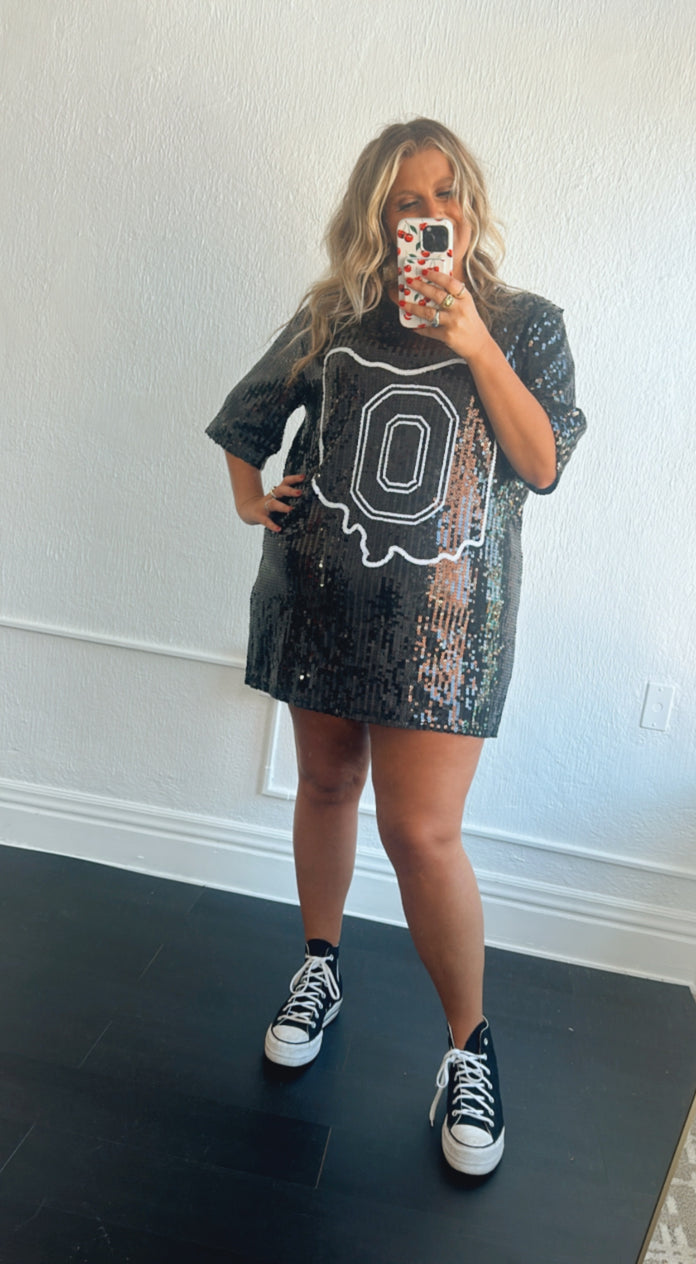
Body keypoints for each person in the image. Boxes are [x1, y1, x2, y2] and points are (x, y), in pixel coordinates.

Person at [206, 118, 586, 1177]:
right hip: (319, 599)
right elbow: (245, 422)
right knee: (326, 788)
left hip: (448, 629)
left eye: (446, 195)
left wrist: (473, 341)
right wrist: (252, 500)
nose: (430, 215)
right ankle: (320, 965)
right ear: (379, 213)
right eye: (408, 200)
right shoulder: (333, 314)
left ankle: (470, 1047)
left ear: (471, 206)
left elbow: (542, 463)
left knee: (422, 832)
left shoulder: (525, 323)